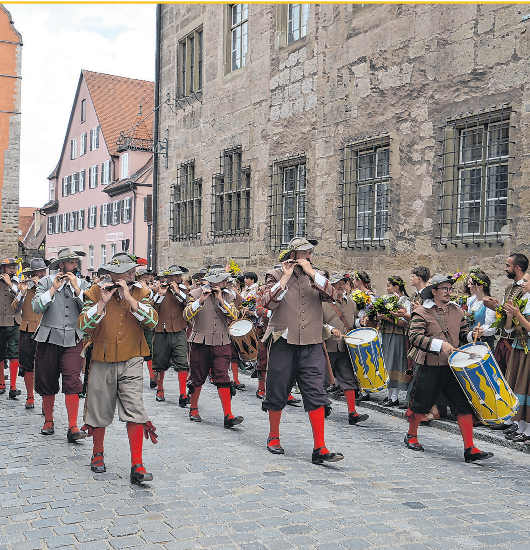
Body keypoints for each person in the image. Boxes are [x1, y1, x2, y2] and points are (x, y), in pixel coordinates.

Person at [260, 237, 343, 464]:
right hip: (283, 341)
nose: (308, 255)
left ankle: (320, 448)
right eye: (304, 252)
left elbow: (333, 296)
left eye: (310, 252)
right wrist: (285, 277)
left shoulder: (317, 276)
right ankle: (274, 437)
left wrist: (312, 273)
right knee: (277, 389)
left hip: (312, 342)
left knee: (317, 392)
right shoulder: (274, 275)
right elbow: (267, 302)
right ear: (292, 254)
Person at [78, 253, 159, 483]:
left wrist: (130, 300)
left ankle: (137, 463)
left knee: (135, 407)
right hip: (102, 358)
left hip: (132, 357)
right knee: (99, 408)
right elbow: (83, 326)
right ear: (112, 273)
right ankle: (98, 453)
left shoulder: (142, 292)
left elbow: (152, 321)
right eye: (127, 271)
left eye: (133, 270)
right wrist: (102, 302)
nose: (133, 274)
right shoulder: (93, 292)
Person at [406, 274, 493, 462]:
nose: (448, 292)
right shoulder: (421, 312)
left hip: (452, 366)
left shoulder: (457, 311)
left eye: (450, 289)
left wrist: (472, 335)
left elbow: (462, 335)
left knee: (462, 405)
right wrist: (439, 345)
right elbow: (414, 337)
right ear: (434, 291)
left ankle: (470, 448)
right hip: (428, 365)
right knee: (420, 402)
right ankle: (411, 435)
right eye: (444, 289)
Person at [32, 248, 91, 441]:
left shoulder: (83, 284)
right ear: (62, 265)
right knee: (47, 379)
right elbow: (36, 307)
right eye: (72, 262)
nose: (75, 265)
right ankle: (48, 420)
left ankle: (73, 426)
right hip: (48, 338)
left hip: (73, 339)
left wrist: (77, 289)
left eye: (76, 262)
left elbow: (89, 310)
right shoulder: (45, 282)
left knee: (73, 381)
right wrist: (53, 289)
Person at [184, 268, 244, 428]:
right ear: (213, 281)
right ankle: (193, 408)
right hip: (200, 341)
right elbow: (186, 315)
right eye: (223, 280)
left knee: (223, 377)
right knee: (197, 375)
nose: (226, 283)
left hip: (222, 341)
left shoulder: (228, 295)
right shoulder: (196, 293)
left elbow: (235, 316)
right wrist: (201, 301)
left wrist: (221, 300)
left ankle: (228, 415)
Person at [322, 273, 368, 425]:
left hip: (345, 347)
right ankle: (322, 406)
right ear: (331, 286)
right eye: (337, 284)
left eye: (343, 283)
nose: (341, 286)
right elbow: (316, 322)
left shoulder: (351, 304)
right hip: (327, 345)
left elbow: (351, 323)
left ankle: (352, 412)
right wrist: (330, 328)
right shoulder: (322, 302)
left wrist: (360, 323)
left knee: (348, 378)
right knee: (322, 379)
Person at [11, 258, 49, 408]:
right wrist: (22, 292)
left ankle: (46, 401)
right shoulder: (25, 287)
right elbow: (15, 308)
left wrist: (42, 287)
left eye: (43, 271)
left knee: (45, 367)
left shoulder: (50, 287)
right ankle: (30, 396)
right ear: (32, 273)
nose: (41, 273)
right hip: (27, 330)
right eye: (39, 271)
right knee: (28, 365)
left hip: (46, 330)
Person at [485, 253, 528, 376]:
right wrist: (497, 305)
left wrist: (495, 307)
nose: (505, 269)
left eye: (508, 266)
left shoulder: (526, 288)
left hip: (516, 341)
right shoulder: (509, 288)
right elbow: (504, 311)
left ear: (517, 268)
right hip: (503, 339)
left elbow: (518, 313)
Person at [152, 265, 190, 406]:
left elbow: (188, 305)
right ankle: (160, 389)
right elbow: (153, 308)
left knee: (182, 362)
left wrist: (177, 291)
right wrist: (161, 294)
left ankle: (183, 393)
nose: (180, 278)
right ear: (169, 278)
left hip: (179, 330)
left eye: (180, 276)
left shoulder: (185, 291)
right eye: (177, 276)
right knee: (160, 362)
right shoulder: (157, 290)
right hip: (161, 330)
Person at [502, 272, 530, 443]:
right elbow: (508, 330)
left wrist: (518, 315)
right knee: (517, 383)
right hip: (518, 347)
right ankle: (520, 426)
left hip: (528, 349)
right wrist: (510, 316)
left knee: (527, 386)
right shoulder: (524, 300)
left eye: (526, 281)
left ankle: (528, 429)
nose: (522, 283)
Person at [380, 276, 411, 407]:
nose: (386, 288)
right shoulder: (388, 300)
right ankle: (389, 396)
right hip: (388, 334)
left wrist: (387, 318)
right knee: (388, 363)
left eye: (389, 286)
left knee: (396, 363)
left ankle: (394, 397)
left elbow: (404, 323)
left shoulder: (405, 302)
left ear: (396, 287)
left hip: (398, 335)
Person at [0, 258, 21, 399]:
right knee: (0, 353)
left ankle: (13, 385)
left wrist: (10, 284)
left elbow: (21, 298)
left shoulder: (19, 284)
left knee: (14, 353)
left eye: (13, 267)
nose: (12, 270)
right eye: (9, 268)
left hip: (14, 322)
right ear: (3, 269)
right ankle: (1, 383)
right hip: (0, 322)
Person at [136, 268, 157, 389]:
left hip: (146, 320)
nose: (145, 278)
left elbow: (153, 301)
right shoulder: (135, 287)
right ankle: (136, 376)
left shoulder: (149, 288)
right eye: (143, 277)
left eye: (146, 277)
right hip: (135, 320)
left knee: (149, 349)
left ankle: (152, 376)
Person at [466, 270, 496, 350]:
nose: (469, 286)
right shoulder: (471, 301)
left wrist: (481, 331)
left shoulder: (489, 303)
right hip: (472, 341)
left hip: (484, 342)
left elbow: (491, 327)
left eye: (472, 284)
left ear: (480, 286)